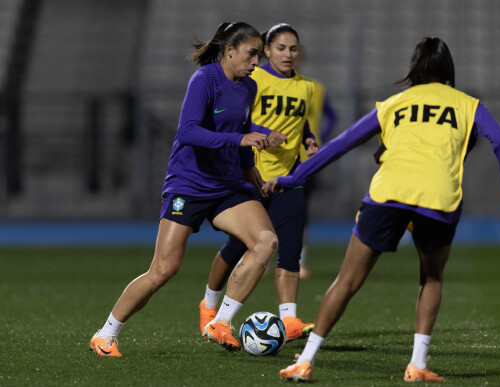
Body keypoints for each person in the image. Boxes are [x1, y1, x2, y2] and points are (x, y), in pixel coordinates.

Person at [271, 37, 500, 382]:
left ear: (414, 67)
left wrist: (293, 177)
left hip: (389, 192)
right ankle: (417, 365)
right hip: (438, 197)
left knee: (346, 281)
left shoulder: (395, 103)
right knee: (432, 277)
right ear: (449, 69)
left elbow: (343, 143)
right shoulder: (468, 104)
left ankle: (306, 360)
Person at [89, 22, 278, 356]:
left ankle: (222, 321)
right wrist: (240, 139)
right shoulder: (204, 80)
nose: (256, 62)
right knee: (163, 270)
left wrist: (252, 174)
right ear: (230, 50)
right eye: (252, 54)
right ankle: (106, 333)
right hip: (189, 184)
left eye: (259, 56)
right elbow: (188, 132)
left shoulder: (249, 87)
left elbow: (243, 132)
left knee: (265, 242)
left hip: (228, 185)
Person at [198, 23, 319, 345]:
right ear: (266, 50)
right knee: (239, 245)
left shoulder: (306, 86)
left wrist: (307, 137)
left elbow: (300, 118)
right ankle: (209, 306)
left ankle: (290, 319)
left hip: (289, 176)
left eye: (293, 48)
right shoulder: (254, 79)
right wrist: (264, 134)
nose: (288, 54)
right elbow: (237, 116)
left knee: (289, 247)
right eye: (281, 48)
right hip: (252, 174)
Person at [294, 48, 338, 279]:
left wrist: (321, 138)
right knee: (264, 210)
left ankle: (298, 262)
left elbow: (332, 115)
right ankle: (259, 261)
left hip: (306, 159)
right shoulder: (267, 84)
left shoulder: (314, 88)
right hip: (272, 157)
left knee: (300, 211)